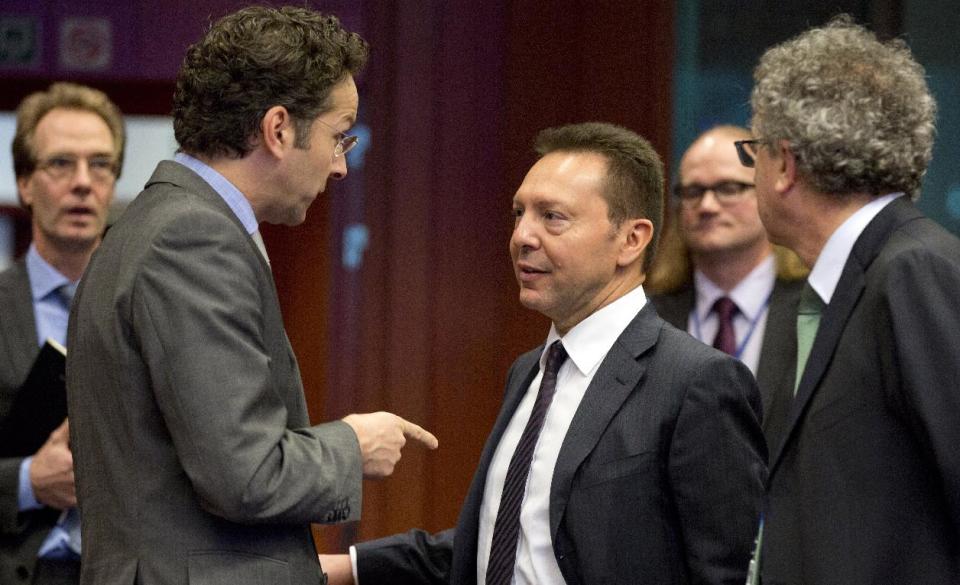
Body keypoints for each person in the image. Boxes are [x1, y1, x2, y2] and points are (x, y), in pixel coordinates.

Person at [65, 7, 437, 585]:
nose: (341, 166)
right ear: (280, 129)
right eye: (339, 137)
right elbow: (244, 474)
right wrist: (352, 446)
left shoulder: (160, 222)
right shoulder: (193, 236)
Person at [321, 122, 767, 585]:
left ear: (631, 240)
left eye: (552, 217)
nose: (522, 237)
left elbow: (720, 575)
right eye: (519, 213)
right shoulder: (530, 371)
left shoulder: (697, 381)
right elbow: (510, 544)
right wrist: (348, 567)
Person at [740, 15, 960, 584]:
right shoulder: (825, 292)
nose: (754, 171)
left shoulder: (915, 271)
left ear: (785, 164)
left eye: (753, 152)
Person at [0, 82, 124, 585]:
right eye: (60, 164)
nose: (82, 182)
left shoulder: (150, 313)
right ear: (25, 183)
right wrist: (29, 481)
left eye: (100, 165)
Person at [648, 125, 806, 443]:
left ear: (768, 192)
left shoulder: (816, 309)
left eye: (729, 188)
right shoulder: (646, 317)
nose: (707, 206)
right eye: (692, 191)